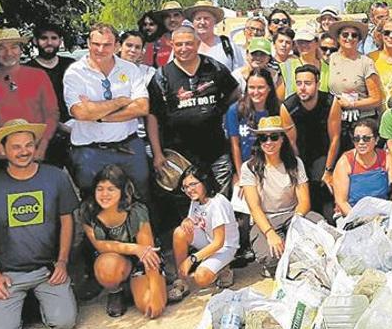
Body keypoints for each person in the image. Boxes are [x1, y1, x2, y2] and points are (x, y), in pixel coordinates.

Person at [0, 119, 79, 329]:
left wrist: (62, 262)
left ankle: (36, 302)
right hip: (7, 275)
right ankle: (24, 305)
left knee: (64, 322)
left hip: (47, 270)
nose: (24, 151)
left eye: (29, 145)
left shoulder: (55, 177)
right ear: (3, 149)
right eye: (16, 147)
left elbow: (67, 220)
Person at [146, 27, 239, 232]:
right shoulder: (162, 76)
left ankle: (224, 241)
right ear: (172, 45)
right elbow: (152, 116)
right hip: (180, 154)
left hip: (215, 148)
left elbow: (235, 92)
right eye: (179, 44)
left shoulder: (214, 68)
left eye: (189, 43)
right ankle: (195, 241)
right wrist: (157, 153)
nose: (184, 48)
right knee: (186, 201)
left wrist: (220, 109)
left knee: (221, 199)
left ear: (197, 44)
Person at [63, 23, 151, 201]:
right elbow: (80, 113)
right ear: (88, 43)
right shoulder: (75, 73)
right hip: (91, 152)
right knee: (92, 202)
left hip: (130, 148)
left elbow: (142, 107)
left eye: (107, 45)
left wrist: (98, 114)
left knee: (139, 197)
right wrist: (120, 102)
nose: (100, 49)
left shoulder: (130, 69)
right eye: (96, 44)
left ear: (117, 46)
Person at [79, 165, 165, 319]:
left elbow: (148, 253)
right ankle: (115, 291)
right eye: (100, 189)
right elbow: (100, 245)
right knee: (106, 267)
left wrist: (156, 291)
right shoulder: (87, 210)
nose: (104, 194)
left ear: (123, 191)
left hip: (143, 262)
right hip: (113, 260)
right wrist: (135, 248)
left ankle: (142, 283)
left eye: (111, 189)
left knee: (148, 305)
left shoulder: (136, 211)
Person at [239, 117, 320, 275]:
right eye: (263, 138)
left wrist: (296, 225)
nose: (269, 142)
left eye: (274, 137)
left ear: (282, 139)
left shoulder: (295, 163)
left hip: (293, 215)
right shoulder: (249, 167)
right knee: (271, 256)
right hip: (266, 220)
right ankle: (281, 263)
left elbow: (304, 201)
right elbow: (254, 208)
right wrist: (270, 233)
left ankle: (293, 261)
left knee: (321, 227)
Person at [0, 28, 59, 161]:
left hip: (36, 152)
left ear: (21, 50)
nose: (9, 53)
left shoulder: (39, 76)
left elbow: (52, 113)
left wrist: (42, 146)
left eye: (14, 47)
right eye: (2, 48)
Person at [168, 166, 239, 302]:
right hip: (208, 240)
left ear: (205, 181)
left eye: (193, 184)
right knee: (179, 232)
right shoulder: (196, 201)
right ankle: (181, 281)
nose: (189, 190)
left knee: (201, 278)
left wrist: (191, 259)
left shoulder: (217, 203)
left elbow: (219, 242)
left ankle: (222, 269)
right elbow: (192, 222)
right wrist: (186, 221)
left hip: (225, 247)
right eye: (185, 187)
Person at [281, 65, 342, 221]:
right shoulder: (288, 107)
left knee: (325, 191)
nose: (302, 88)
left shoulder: (330, 101)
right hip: (301, 155)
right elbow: (291, 145)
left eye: (307, 83)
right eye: (299, 83)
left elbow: (335, 137)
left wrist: (328, 171)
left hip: (325, 152)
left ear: (318, 83)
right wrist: (298, 174)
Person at [328, 20, 383, 154]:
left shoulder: (365, 62)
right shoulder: (331, 59)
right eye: (345, 34)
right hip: (338, 122)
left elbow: (376, 99)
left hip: (362, 122)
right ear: (338, 37)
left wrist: (351, 104)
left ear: (359, 39)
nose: (349, 38)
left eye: (354, 35)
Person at [24, 23, 75, 166]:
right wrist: (61, 127)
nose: (49, 42)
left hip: (76, 129)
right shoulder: (27, 70)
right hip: (45, 135)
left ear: (60, 41)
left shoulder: (71, 65)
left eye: (54, 38)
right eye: (44, 38)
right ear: (35, 41)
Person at [333, 118, 392, 216]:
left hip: (382, 213)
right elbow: (342, 201)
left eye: (366, 138)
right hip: (352, 214)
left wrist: (391, 214)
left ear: (376, 140)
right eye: (356, 139)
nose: (361, 142)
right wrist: (358, 220)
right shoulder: (345, 162)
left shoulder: (386, 158)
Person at [226, 68, 280, 178]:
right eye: (251, 87)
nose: (255, 92)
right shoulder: (235, 110)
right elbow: (235, 146)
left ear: (269, 88)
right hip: (246, 168)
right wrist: (241, 175)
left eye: (260, 87)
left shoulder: (278, 109)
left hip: (273, 168)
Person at [185, 0, 244, 71]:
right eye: (198, 18)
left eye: (206, 18)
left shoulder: (228, 45)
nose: (202, 22)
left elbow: (240, 73)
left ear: (215, 21)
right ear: (193, 22)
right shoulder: (183, 45)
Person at [279, 27, 329, 99]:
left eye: (307, 41)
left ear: (317, 43)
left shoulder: (327, 68)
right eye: (300, 42)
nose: (303, 45)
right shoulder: (285, 67)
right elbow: (279, 98)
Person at [143, 1, 185, 69]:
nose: (172, 19)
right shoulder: (153, 45)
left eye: (176, 15)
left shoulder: (194, 42)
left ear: (183, 18)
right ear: (162, 20)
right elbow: (146, 71)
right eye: (167, 16)